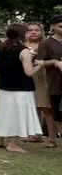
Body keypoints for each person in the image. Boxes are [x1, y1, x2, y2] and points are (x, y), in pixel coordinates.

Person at [0, 24, 48, 153]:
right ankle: (12, 143)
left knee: (5, 114)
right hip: (21, 88)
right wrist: (39, 65)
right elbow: (29, 72)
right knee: (18, 115)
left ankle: (0, 139)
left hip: (5, 87)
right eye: (27, 32)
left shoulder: (1, 48)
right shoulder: (24, 51)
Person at [36, 14, 62, 148]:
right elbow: (39, 62)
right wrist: (54, 62)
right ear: (53, 26)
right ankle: (52, 138)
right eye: (60, 26)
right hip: (54, 81)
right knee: (52, 110)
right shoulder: (46, 43)